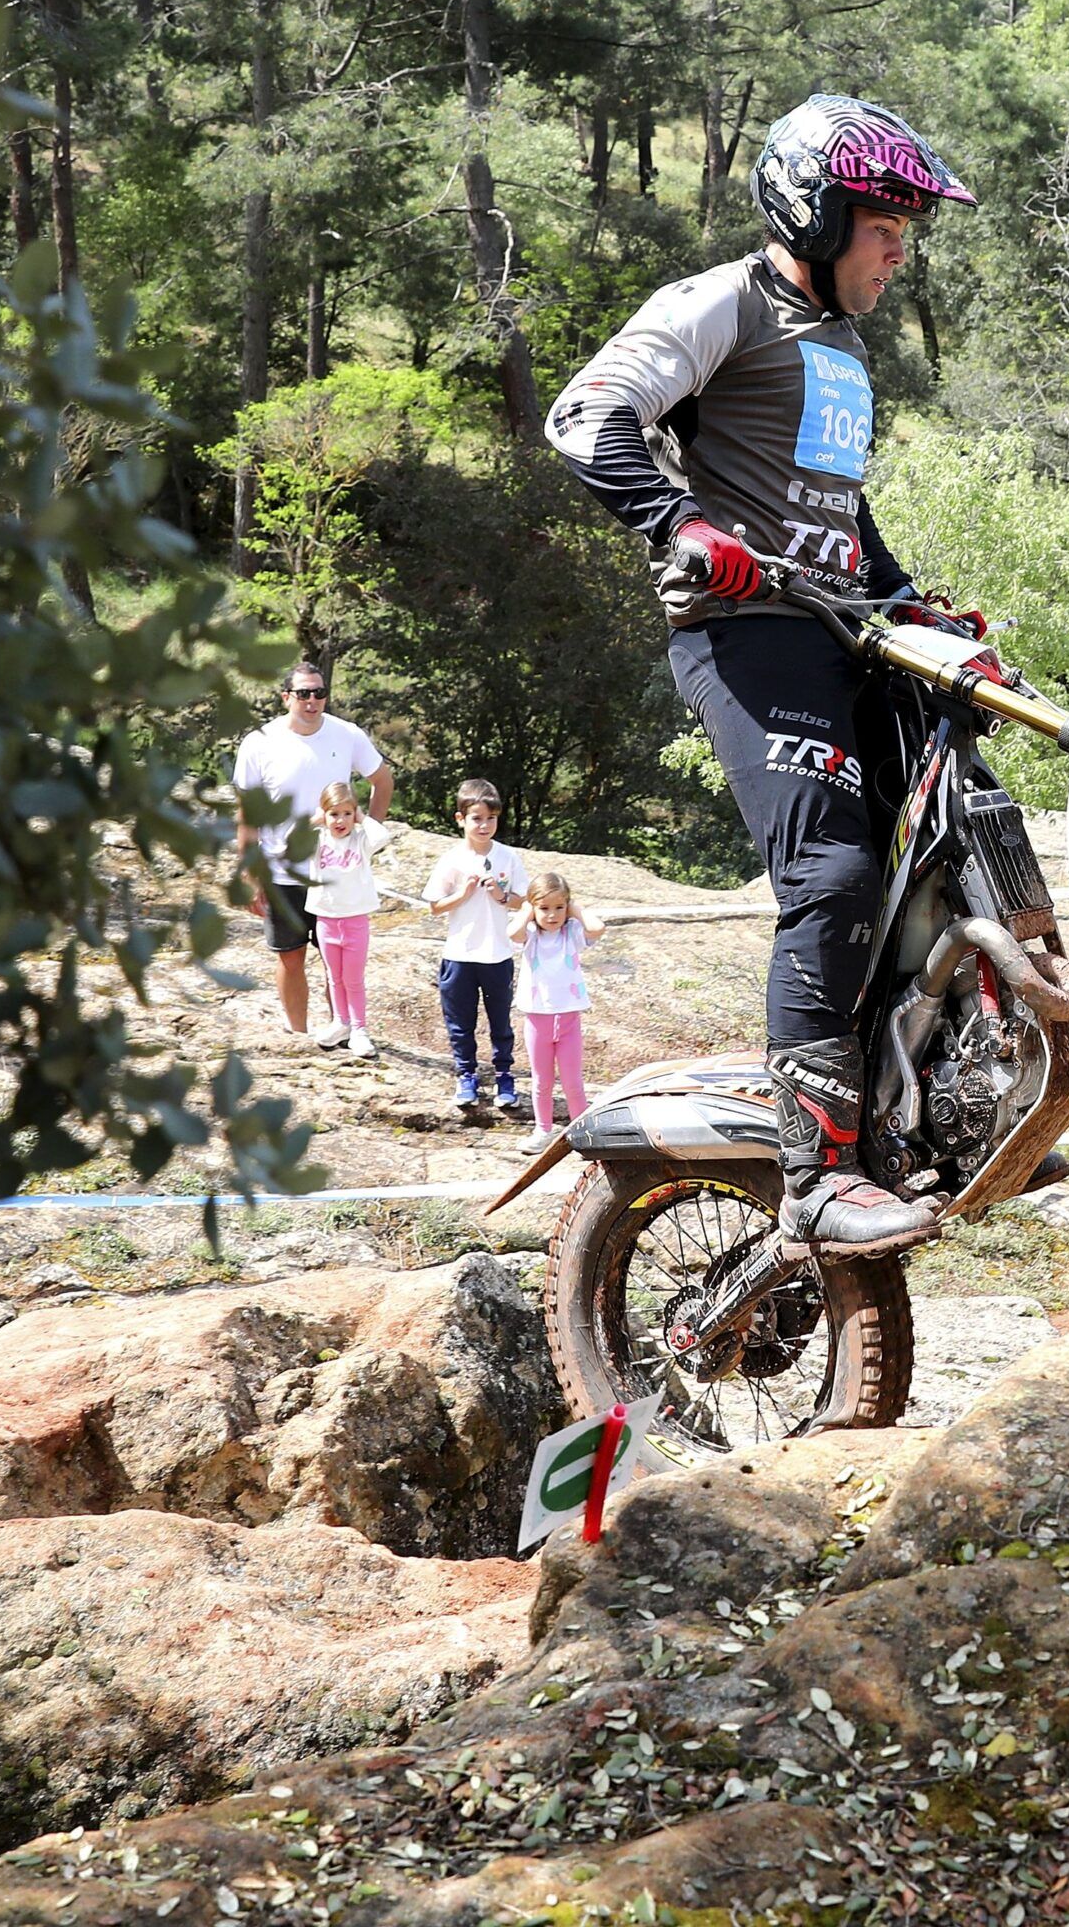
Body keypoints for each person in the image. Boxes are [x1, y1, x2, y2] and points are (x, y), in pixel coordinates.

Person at [545, 94, 988, 1253]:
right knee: (835, 876)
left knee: (946, 851)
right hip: (750, 640)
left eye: (907, 228)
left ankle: (922, 1115)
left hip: (847, 631)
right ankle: (813, 1174)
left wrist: (909, 598)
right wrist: (679, 522)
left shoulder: (836, 343)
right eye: (887, 223)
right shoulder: (720, 302)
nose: (903, 248)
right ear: (820, 208)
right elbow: (586, 416)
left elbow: (838, 509)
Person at [230, 662, 393, 1047]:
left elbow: (382, 780)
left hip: (334, 873)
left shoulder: (347, 734)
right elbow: (247, 815)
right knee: (290, 955)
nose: (312, 701)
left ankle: (343, 1028)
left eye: (319, 693)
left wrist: (365, 835)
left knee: (336, 961)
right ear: (286, 696)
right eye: (303, 693)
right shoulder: (259, 742)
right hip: (281, 870)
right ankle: (299, 1036)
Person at [422, 780, 527, 1117]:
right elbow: (436, 906)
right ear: (461, 819)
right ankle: (466, 1076)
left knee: (501, 1022)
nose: (484, 826)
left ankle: (504, 1077)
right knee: (460, 1023)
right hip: (459, 955)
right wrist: (463, 894)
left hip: (497, 955)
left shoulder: (508, 857)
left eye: (491, 819)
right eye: (477, 818)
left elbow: (522, 900)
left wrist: (500, 895)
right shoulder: (451, 859)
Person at [511, 872, 603, 1144]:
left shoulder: (571, 933)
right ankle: (543, 1129)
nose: (552, 915)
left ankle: (582, 1130)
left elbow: (597, 928)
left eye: (559, 907)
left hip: (568, 1019)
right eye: (544, 908)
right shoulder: (530, 936)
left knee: (573, 1081)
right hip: (538, 1019)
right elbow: (512, 933)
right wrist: (527, 910)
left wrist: (575, 909)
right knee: (542, 1081)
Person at [303, 779, 387, 1058]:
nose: (340, 820)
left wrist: (363, 817)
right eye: (334, 814)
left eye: (347, 814)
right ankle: (341, 1022)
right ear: (324, 815)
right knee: (334, 976)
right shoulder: (317, 841)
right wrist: (315, 820)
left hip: (355, 921)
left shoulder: (361, 841)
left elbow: (382, 837)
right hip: (326, 920)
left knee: (353, 978)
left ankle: (359, 1029)